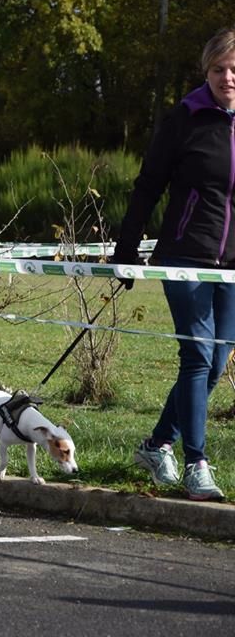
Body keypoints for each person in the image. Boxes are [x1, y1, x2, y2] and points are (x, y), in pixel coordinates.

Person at [114, 26, 235, 501]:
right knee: (198, 356)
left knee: (218, 360)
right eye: (219, 69)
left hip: (231, 265)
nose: (228, 77)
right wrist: (126, 251)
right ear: (206, 71)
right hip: (184, 254)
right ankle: (196, 463)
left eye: (234, 70)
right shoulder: (184, 118)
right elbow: (148, 185)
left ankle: (157, 444)